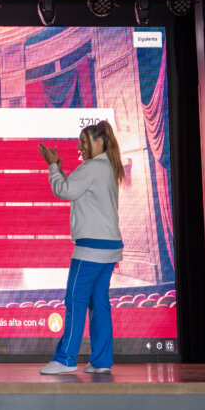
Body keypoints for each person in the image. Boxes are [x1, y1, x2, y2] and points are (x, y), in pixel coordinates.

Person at [37, 121, 125, 375]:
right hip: (109, 247)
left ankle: (65, 359)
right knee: (99, 303)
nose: (80, 146)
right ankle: (101, 361)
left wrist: (52, 166)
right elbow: (78, 191)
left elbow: (63, 190)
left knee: (75, 300)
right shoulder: (108, 167)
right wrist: (63, 173)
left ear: (99, 142)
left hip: (90, 249)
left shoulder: (92, 167)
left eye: (84, 141)